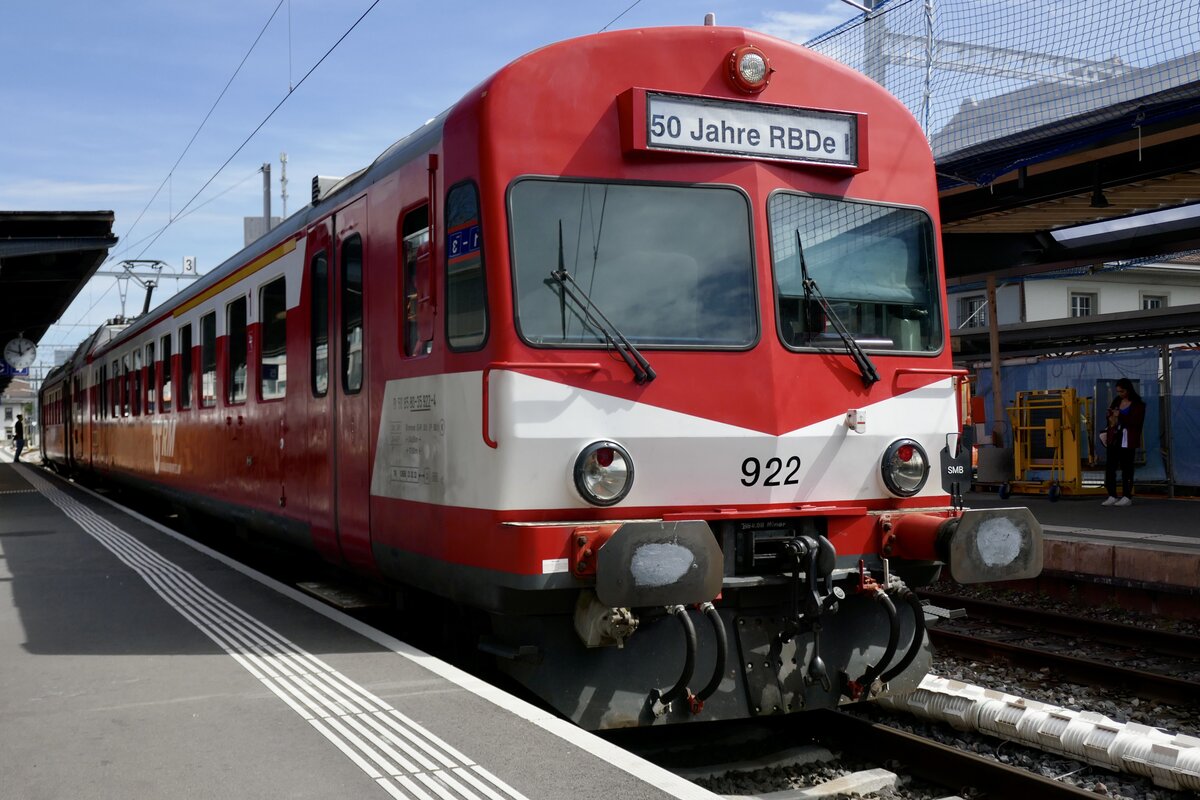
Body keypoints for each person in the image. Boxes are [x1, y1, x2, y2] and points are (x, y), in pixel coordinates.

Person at [1101, 379, 1145, 507]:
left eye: (1122, 391)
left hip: (1127, 439)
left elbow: (1136, 422)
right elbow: (1110, 413)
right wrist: (1110, 416)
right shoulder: (1116, 401)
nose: (1120, 394)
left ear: (1129, 390)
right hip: (1114, 437)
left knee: (1127, 467)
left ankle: (1127, 495)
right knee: (1110, 466)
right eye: (1118, 391)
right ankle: (1112, 494)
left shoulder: (1138, 404)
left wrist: (1120, 415)